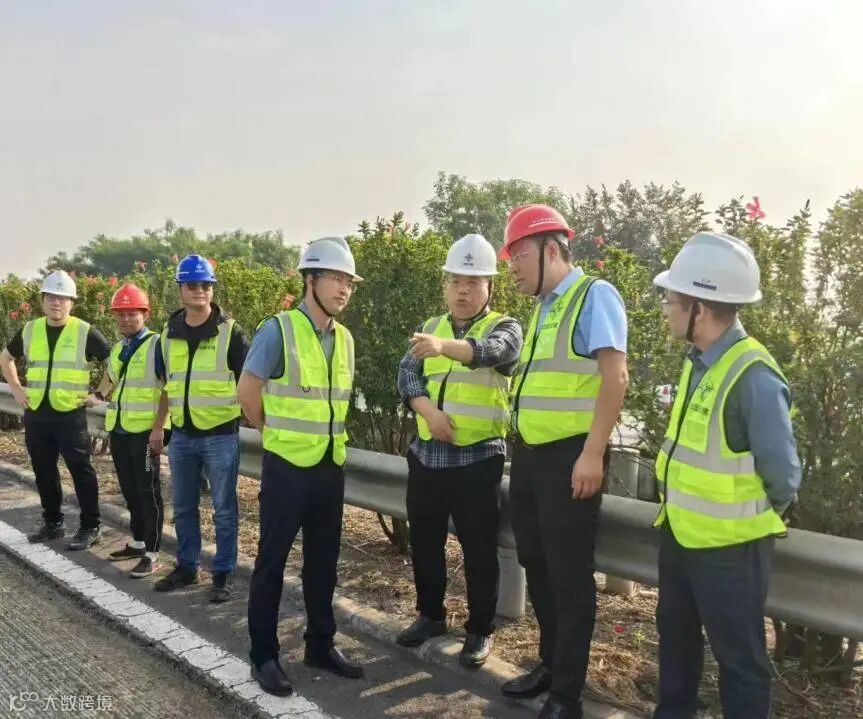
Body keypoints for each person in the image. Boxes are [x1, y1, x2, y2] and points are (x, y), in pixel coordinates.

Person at [651, 232, 801, 719]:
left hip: (732, 550)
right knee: (676, 641)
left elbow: (783, 476)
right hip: (681, 535)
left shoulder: (754, 376)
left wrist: (743, 518)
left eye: (672, 300)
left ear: (699, 307)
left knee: (740, 661)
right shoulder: (699, 362)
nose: (666, 310)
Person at [498, 205, 629, 719]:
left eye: (519, 255)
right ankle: (550, 666)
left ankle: (566, 695)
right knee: (537, 564)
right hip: (530, 458)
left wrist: (593, 453)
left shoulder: (594, 295)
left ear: (551, 250)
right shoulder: (544, 307)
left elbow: (615, 377)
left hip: (571, 459)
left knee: (570, 579)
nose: (512, 267)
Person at [239, 237, 364, 696]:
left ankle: (320, 644)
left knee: (323, 563)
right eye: (336, 278)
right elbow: (248, 391)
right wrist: (272, 431)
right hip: (287, 467)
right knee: (272, 562)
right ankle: (263, 655)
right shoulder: (279, 330)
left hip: (329, 465)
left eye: (349, 281)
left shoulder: (345, 339)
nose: (344, 288)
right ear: (310, 279)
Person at [395, 233, 523, 668]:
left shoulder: (505, 327)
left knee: (478, 549)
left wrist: (445, 348)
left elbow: (493, 353)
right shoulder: (431, 327)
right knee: (425, 541)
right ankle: (431, 616)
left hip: (478, 458)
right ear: (445, 285)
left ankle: (479, 629)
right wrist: (428, 411)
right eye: (455, 281)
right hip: (428, 454)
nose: (463, 291)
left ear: (489, 286)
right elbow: (407, 375)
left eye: (472, 282)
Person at [153, 255, 248, 602]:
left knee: (224, 509)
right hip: (181, 435)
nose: (200, 291)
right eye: (192, 285)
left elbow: (251, 382)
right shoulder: (168, 333)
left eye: (206, 285)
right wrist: (159, 426)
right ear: (180, 289)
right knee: (182, 506)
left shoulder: (231, 333)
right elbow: (167, 384)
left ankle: (223, 573)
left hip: (221, 435)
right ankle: (186, 566)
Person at [0, 270, 112, 550]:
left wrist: (100, 394)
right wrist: (16, 388)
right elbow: (6, 357)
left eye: (63, 298)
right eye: (51, 297)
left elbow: (116, 362)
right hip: (37, 412)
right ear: (42, 300)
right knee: (43, 470)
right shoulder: (30, 329)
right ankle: (53, 523)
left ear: (71, 302)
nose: (56, 303)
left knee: (80, 470)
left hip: (70, 414)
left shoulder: (84, 331)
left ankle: (91, 526)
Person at [94, 283, 168, 578]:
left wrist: (159, 427)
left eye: (132, 314)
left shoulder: (157, 345)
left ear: (144, 314)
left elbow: (169, 388)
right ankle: (138, 542)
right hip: (121, 430)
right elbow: (111, 378)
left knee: (148, 491)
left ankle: (153, 553)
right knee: (129, 488)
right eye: (121, 314)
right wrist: (97, 396)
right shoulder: (119, 347)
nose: (126, 320)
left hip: (145, 432)